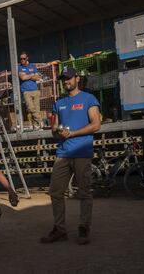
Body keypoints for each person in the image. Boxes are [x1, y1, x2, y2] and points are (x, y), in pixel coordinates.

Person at [41, 66, 101, 245]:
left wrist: (72, 133)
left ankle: (84, 228)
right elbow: (55, 128)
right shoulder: (59, 103)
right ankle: (60, 230)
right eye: (63, 79)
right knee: (55, 191)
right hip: (63, 152)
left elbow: (96, 124)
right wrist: (56, 131)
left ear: (77, 79)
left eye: (68, 78)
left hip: (82, 151)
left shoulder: (88, 98)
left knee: (83, 192)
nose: (66, 81)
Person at [18, 51, 43, 130]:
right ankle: (40, 120)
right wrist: (32, 75)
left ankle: (37, 126)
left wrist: (27, 76)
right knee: (31, 108)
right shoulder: (19, 67)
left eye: (24, 58)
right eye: (21, 59)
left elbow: (38, 78)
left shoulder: (33, 66)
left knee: (37, 108)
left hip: (35, 90)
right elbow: (22, 78)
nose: (22, 60)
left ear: (27, 58)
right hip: (26, 92)